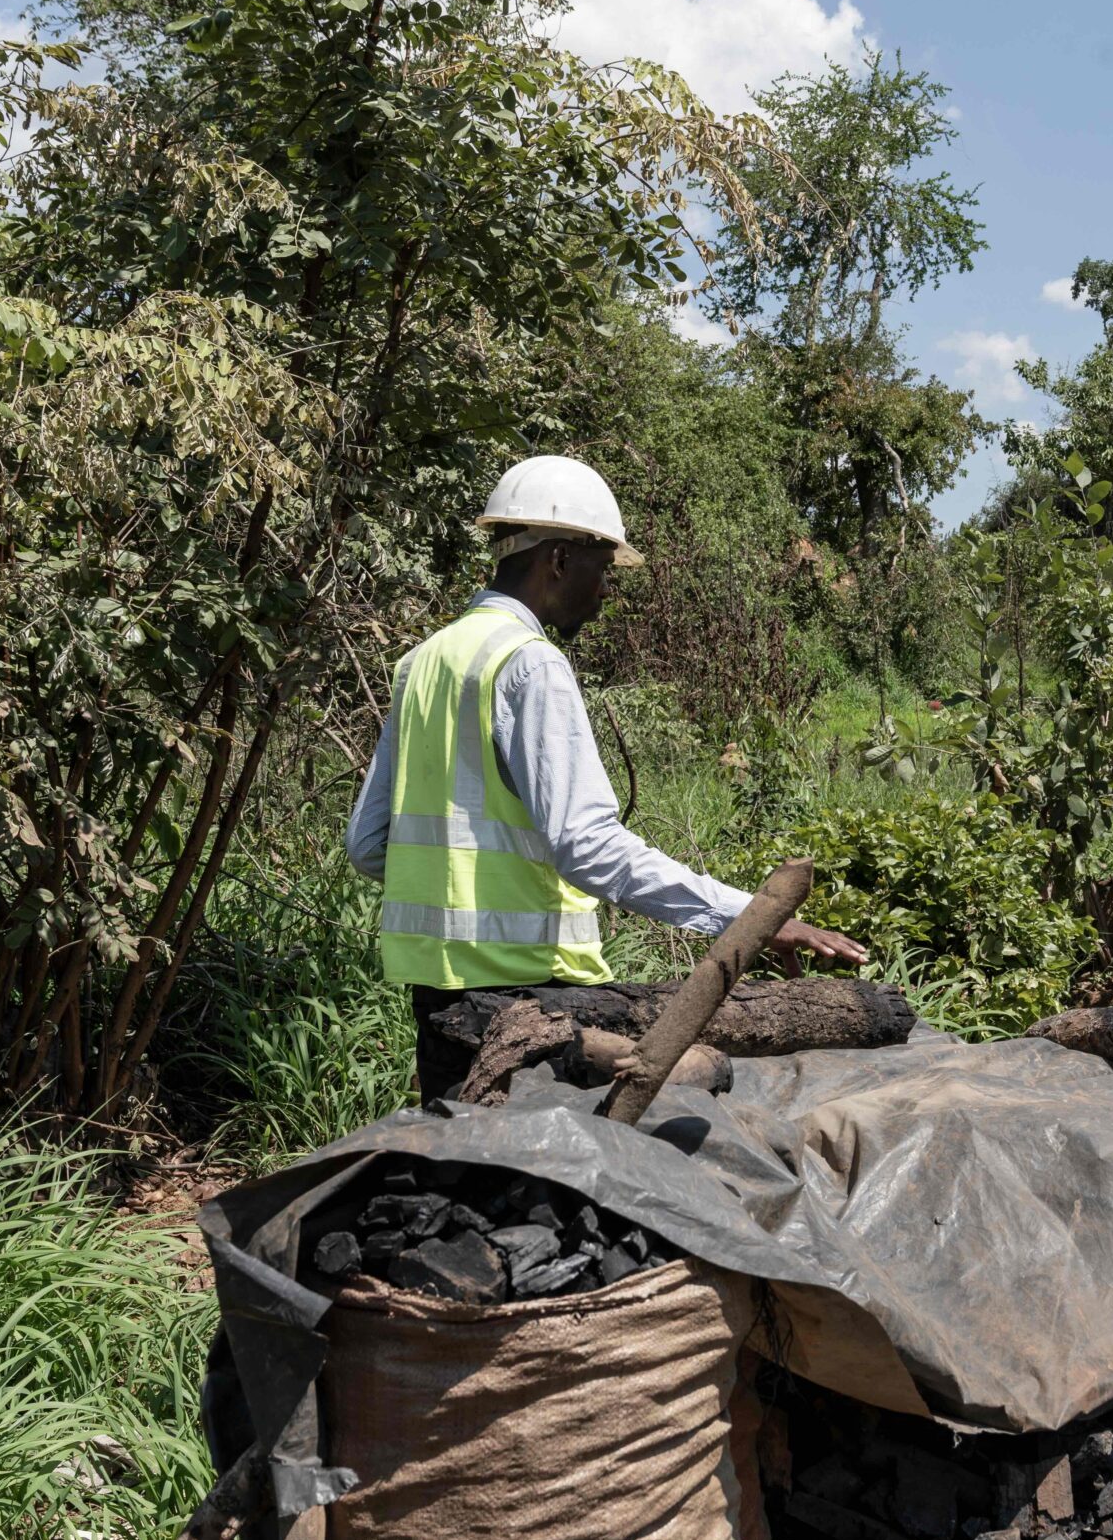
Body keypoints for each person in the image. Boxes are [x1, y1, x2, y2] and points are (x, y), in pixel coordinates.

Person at [348, 454, 867, 1098]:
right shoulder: (529, 665)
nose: (605, 590)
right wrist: (747, 916)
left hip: (438, 1000)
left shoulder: (423, 661)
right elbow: (586, 845)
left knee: (458, 1183)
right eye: (602, 568)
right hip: (532, 1000)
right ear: (560, 560)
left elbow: (368, 846)